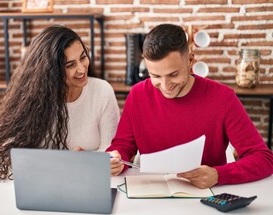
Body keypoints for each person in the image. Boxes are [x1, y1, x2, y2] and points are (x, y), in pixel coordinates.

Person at [107, 23, 273, 188]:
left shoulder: (223, 98)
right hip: (150, 193)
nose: (165, 86)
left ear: (190, 61)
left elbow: (264, 158)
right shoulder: (137, 95)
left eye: (173, 74)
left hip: (206, 195)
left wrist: (218, 175)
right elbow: (123, 146)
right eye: (156, 76)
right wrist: (116, 158)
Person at [0, 25, 120, 181]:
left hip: (88, 180)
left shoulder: (102, 91)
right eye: (70, 65)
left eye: (83, 57)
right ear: (51, 71)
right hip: (42, 181)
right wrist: (64, 163)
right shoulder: (31, 98)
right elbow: (9, 151)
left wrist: (89, 160)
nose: (81, 68)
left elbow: (109, 149)